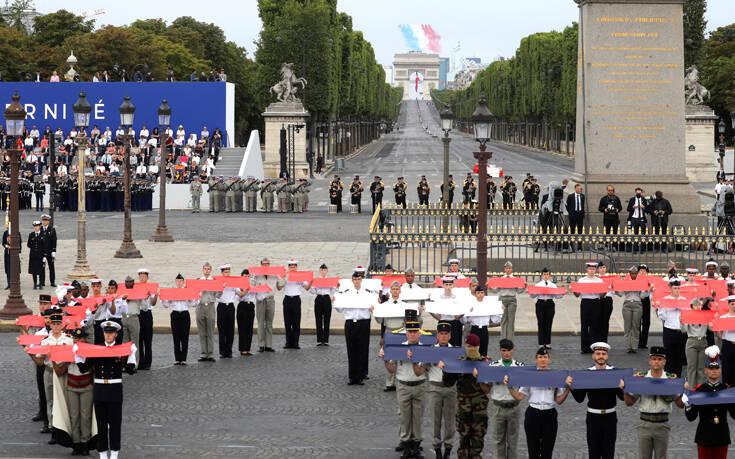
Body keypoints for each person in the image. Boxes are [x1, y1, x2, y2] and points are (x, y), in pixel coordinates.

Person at [75, 320, 137, 459]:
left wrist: (131, 355)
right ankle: (103, 454)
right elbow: (84, 369)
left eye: (111, 333)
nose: (108, 335)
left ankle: (114, 454)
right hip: (100, 389)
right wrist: (77, 355)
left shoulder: (121, 350)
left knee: (115, 424)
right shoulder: (96, 350)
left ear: (116, 334)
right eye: (106, 333)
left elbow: (130, 370)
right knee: (101, 425)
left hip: (114, 389)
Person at [506, 346, 572, 459]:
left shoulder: (556, 376)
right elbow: (519, 396)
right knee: (533, 450)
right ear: (536, 359)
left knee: (547, 451)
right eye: (540, 357)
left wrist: (567, 389)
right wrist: (510, 387)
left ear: (549, 359)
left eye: (545, 357)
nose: (543, 359)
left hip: (549, 413)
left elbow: (559, 400)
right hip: (533, 413)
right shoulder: (529, 376)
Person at [624, 346, 685, 459]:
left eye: (659, 359)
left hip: (662, 423)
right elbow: (629, 402)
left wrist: (683, 392)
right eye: (654, 359)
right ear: (649, 361)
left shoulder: (670, 379)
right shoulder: (641, 378)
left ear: (664, 361)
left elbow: (680, 405)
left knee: (661, 457)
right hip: (644, 423)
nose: (656, 362)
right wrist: (625, 390)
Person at [381, 310, 427, 458]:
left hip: (419, 384)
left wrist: (414, 358)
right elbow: (392, 369)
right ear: (406, 333)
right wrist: (386, 359)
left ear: (419, 333)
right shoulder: (398, 348)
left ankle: (416, 443)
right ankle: (406, 443)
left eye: (415, 332)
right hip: (403, 385)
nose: (412, 334)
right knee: (405, 416)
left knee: (417, 417)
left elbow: (421, 371)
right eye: (410, 332)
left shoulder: (425, 349)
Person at [570, 342, 625, 459]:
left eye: (604, 354)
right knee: (593, 452)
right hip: (593, 417)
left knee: (609, 452)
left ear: (607, 356)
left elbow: (622, 397)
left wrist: (623, 388)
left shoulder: (615, 373)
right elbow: (580, 398)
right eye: (598, 353)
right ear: (593, 356)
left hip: (610, 417)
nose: (601, 356)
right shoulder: (587, 374)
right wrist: (571, 386)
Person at [442, 333, 489, 459]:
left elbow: (488, 389)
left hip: (479, 410)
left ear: (478, 346)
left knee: (477, 440)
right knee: (463, 440)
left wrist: (480, 376)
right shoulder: (459, 363)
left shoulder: (486, 363)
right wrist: (445, 369)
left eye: (473, 346)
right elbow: (447, 382)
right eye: (468, 346)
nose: (470, 349)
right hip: (463, 409)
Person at [684, 346, 735, 459]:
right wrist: (688, 403)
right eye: (711, 369)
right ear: (705, 370)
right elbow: (691, 417)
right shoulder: (699, 390)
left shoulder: (726, 390)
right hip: (704, 436)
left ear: (720, 370)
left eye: (717, 368)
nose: (714, 371)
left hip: (721, 435)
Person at [32, 309, 73, 445]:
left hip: (63, 372)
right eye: (53, 324)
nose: (55, 326)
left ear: (62, 325)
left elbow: (73, 358)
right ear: (50, 325)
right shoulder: (45, 342)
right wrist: (30, 353)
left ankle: (65, 428)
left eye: (58, 324)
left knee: (64, 399)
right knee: (50, 400)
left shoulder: (68, 340)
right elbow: (39, 361)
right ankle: (53, 428)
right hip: (49, 371)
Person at [487, 339, 523, 459]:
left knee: (513, 441)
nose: (506, 353)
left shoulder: (519, 367)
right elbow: (486, 386)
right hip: (498, 407)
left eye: (508, 350)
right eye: (504, 351)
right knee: (499, 440)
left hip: (513, 406)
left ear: (513, 350)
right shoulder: (493, 366)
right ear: (500, 351)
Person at [335, 270, 372, 385]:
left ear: (362, 280)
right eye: (355, 279)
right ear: (352, 280)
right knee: (351, 350)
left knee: (362, 349)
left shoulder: (368, 293)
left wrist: (374, 306)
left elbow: (373, 306)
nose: (357, 281)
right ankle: (352, 377)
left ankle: (360, 376)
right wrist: (335, 302)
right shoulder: (346, 293)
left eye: (359, 279)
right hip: (351, 323)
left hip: (363, 323)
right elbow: (340, 309)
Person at [426, 322, 456, 459]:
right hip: (435, 387)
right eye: (441, 334)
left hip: (450, 388)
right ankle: (437, 449)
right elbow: (421, 369)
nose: (443, 337)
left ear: (450, 336)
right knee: (435, 421)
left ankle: (448, 448)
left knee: (450, 421)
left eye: (446, 334)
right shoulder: (430, 350)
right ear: (437, 336)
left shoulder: (456, 351)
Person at [63, 327, 95, 456]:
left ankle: (85, 442)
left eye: (80, 338)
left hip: (86, 385)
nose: (78, 341)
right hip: (72, 385)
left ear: (85, 339)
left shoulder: (89, 351)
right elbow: (61, 367)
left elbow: (90, 367)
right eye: (75, 338)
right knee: (74, 415)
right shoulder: (68, 350)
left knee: (86, 416)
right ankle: (76, 443)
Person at [162, 274, 197, 365]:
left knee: (185, 337)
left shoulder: (187, 291)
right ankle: (177, 359)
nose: (179, 283)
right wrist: (162, 298)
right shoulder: (172, 291)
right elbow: (166, 305)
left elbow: (193, 304)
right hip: (175, 314)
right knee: (176, 337)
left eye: (181, 281)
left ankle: (184, 359)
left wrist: (194, 296)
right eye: (177, 281)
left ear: (183, 282)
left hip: (185, 313)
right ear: (175, 282)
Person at [657, 280, 688, 378]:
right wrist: (667, 307)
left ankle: (677, 377)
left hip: (681, 331)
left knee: (679, 357)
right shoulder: (665, 299)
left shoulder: (684, 300)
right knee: (669, 356)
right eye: (675, 288)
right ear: (671, 289)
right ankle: (668, 377)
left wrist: (681, 308)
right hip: (669, 330)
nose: (677, 290)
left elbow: (688, 315)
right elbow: (661, 316)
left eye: (678, 288)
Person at [277, 259, 311, 349]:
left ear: (296, 267)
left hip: (296, 299)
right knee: (287, 322)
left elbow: (307, 288)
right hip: (287, 299)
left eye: (294, 266)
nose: (292, 267)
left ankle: (296, 343)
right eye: (291, 266)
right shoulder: (285, 275)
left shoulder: (300, 276)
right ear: (288, 267)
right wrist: (280, 278)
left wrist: (311, 282)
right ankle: (288, 342)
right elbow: (279, 288)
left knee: (296, 322)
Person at [682, 298, 714, 387]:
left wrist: (713, 322)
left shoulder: (705, 316)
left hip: (703, 341)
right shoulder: (688, 315)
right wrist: (682, 321)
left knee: (701, 367)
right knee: (692, 367)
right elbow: (683, 330)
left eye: (699, 305)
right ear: (692, 307)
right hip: (692, 341)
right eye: (695, 305)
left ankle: (701, 387)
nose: (698, 307)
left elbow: (711, 329)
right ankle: (692, 388)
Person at [490, 261, 525, 342]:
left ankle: (510, 340)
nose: (508, 270)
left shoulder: (515, 279)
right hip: (503, 300)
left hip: (512, 300)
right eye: (507, 268)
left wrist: (524, 287)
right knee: (503, 321)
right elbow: (496, 290)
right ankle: (503, 339)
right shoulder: (501, 279)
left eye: (510, 268)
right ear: (504, 269)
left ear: (512, 269)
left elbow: (519, 291)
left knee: (511, 321)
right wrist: (489, 287)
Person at [462, 285, 502, 357]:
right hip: (474, 329)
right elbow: (465, 320)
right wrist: (468, 312)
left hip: (484, 329)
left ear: (484, 294)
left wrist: (500, 311)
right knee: (473, 351)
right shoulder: (471, 304)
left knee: (484, 350)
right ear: (475, 294)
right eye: (478, 293)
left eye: (482, 293)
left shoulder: (489, 305)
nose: (480, 295)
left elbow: (495, 320)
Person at [574, 261, 605, 353]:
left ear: (595, 270)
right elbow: (577, 294)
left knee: (595, 326)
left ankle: (593, 346)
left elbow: (602, 295)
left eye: (593, 269)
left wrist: (605, 290)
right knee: (584, 325)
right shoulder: (582, 280)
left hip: (596, 302)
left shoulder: (599, 281)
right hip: (585, 302)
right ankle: (584, 347)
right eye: (590, 269)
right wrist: (573, 290)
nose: (592, 271)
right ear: (587, 269)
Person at [216, 264, 244, 358]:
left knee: (230, 330)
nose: (227, 273)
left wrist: (247, 289)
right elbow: (217, 296)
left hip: (230, 307)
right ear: (222, 273)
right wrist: (222, 288)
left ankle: (229, 351)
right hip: (221, 306)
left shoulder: (233, 282)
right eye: (225, 272)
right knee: (222, 330)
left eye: (228, 272)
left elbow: (240, 293)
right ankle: (222, 352)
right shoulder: (219, 282)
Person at [618, 266, 648, 353]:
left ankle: (634, 346)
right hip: (627, 304)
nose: (633, 275)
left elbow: (642, 296)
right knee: (627, 326)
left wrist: (646, 290)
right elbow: (620, 294)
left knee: (636, 326)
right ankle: (628, 346)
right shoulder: (625, 282)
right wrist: (615, 289)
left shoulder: (641, 282)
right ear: (629, 274)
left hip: (637, 304)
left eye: (635, 273)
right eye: (632, 273)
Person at [429, 276, 464, 347]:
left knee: (456, 345)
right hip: (443, 322)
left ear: (453, 285)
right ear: (443, 285)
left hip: (454, 324)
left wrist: (464, 312)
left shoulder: (457, 299)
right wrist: (430, 311)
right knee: (442, 344)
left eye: (450, 285)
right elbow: (438, 317)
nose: (448, 287)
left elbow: (457, 317)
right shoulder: (439, 299)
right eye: (446, 285)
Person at [253, 257, 278, 353]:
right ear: (261, 265)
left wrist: (280, 277)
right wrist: (252, 277)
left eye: (267, 264)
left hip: (270, 300)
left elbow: (280, 286)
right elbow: (252, 287)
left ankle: (268, 345)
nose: (265, 265)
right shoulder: (257, 275)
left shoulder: (274, 274)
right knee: (260, 323)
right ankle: (261, 345)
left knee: (269, 323)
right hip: (260, 300)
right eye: (264, 264)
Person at [530, 268, 559, 348]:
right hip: (540, 303)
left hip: (550, 303)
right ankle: (541, 343)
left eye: (547, 274)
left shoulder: (553, 285)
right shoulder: (538, 285)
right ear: (542, 275)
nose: (546, 276)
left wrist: (562, 293)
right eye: (544, 274)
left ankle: (547, 342)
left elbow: (557, 296)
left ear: (549, 275)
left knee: (549, 323)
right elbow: (533, 296)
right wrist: (531, 292)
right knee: (541, 323)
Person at [136, 268, 158, 371]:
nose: (142, 278)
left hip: (147, 314)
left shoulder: (151, 287)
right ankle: (140, 362)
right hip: (138, 313)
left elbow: (153, 303)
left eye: (144, 276)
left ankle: (148, 363)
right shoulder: (135, 287)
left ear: (147, 277)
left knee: (148, 340)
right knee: (139, 340)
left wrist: (154, 295)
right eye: (140, 276)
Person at [196, 262, 218, 362]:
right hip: (200, 306)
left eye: (208, 269)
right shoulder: (198, 281)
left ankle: (211, 353)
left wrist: (222, 287)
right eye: (205, 269)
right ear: (202, 269)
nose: (207, 271)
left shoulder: (214, 280)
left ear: (211, 270)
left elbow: (218, 295)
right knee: (201, 331)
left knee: (210, 330)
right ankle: (203, 353)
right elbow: (194, 294)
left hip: (210, 305)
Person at [311, 264, 335, 346]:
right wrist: (312, 284)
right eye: (322, 270)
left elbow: (333, 290)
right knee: (318, 319)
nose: (323, 272)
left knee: (327, 319)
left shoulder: (329, 280)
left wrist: (336, 285)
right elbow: (313, 291)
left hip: (327, 298)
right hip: (318, 298)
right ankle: (319, 339)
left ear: (327, 271)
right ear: (319, 271)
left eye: (324, 270)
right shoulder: (316, 279)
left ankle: (326, 340)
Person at [120, 276, 142, 367]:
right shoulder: (121, 293)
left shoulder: (138, 293)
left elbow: (144, 307)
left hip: (134, 318)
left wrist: (145, 297)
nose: (128, 283)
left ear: (133, 283)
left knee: (135, 342)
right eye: (127, 282)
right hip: (124, 318)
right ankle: (124, 364)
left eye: (130, 282)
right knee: (125, 343)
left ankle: (134, 364)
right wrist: (123, 299)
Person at [236, 269, 256, 356]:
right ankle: (242, 349)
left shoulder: (252, 284)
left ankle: (247, 349)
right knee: (242, 328)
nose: (247, 277)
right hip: (242, 305)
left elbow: (257, 296)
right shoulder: (238, 285)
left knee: (249, 328)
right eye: (245, 276)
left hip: (250, 306)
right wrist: (246, 290)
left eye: (248, 276)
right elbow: (239, 297)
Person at [717, 295, 735, 387]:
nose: (734, 305)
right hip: (727, 344)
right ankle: (726, 387)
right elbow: (720, 335)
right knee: (726, 367)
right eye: (732, 304)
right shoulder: (723, 317)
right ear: (728, 305)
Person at [27, 220, 45, 289]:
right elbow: (28, 244)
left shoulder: (43, 234)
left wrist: (44, 256)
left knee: (40, 270)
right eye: (35, 226)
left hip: (40, 255)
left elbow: (45, 246)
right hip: (33, 255)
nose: (36, 228)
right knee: (33, 270)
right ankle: (35, 284)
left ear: (40, 227)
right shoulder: (31, 234)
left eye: (37, 226)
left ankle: (40, 284)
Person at [40, 214, 57, 287]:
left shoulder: (52, 229)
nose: (44, 222)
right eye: (43, 220)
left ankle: (52, 282)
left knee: (51, 267)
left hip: (50, 251)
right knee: (41, 267)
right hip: (42, 251)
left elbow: (54, 240)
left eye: (46, 220)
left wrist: (54, 251)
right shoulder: (40, 229)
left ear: (48, 221)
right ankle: (42, 282)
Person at [638, 264, 653, 349]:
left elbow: (652, 294)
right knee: (637, 322)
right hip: (638, 301)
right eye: (640, 270)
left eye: (644, 271)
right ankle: (638, 341)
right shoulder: (635, 281)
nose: (642, 272)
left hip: (646, 302)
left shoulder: (649, 281)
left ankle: (644, 342)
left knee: (646, 322)